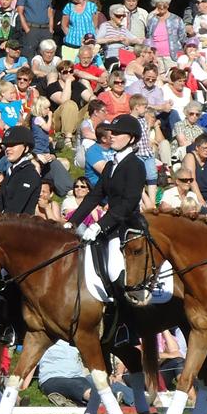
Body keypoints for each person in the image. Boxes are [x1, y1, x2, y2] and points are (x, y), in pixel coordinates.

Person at [68, 114, 146, 296]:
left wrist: (99, 225)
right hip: (110, 225)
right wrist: (72, 222)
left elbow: (128, 203)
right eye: (112, 132)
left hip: (127, 228)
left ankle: (125, 311)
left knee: (113, 270)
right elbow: (94, 196)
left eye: (118, 133)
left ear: (131, 139)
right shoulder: (111, 165)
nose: (112, 136)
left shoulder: (136, 165)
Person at [0, 126, 41, 215]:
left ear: (26, 148)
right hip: (7, 221)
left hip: (19, 223)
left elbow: (14, 210)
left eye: (13, 145)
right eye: (7, 146)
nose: (8, 149)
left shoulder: (29, 174)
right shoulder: (11, 172)